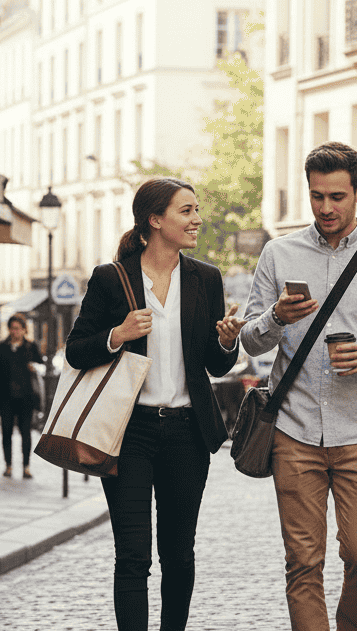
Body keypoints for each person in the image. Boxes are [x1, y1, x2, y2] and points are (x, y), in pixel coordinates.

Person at [239, 141, 357, 631]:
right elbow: (250, 340)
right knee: (302, 561)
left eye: (337, 196)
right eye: (317, 196)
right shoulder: (279, 253)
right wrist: (277, 317)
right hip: (294, 429)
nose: (325, 207)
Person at [65, 177, 244, 631]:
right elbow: (76, 350)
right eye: (186, 211)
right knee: (132, 556)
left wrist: (227, 342)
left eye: (196, 209)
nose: (197, 219)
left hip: (187, 433)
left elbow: (215, 364)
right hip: (129, 434)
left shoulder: (205, 278)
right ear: (155, 220)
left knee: (179, 554)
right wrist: (117, 334)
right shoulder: (112, 278)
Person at [0, 313, 42, 479]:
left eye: (17, 328)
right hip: (6, 397)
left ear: (24, 330)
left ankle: (26, 466)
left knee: (26, 432)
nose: (14, 331)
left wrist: (35, 367)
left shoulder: (31, 347)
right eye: (12, 328)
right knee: (6, 432)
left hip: (26, 397)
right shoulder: (1, 348)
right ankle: (8, 465)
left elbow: (41, 366)